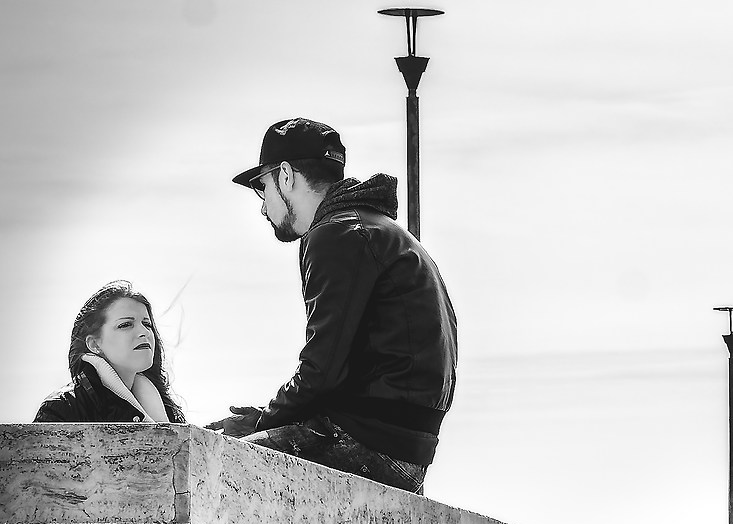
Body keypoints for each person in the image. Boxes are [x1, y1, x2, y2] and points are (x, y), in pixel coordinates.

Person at [207, 119, 457, 494]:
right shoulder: (385, 232)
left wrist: (265, 422)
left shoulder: (334, 235)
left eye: (263, 188)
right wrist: (266, 418)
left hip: (369, 445)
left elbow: (321, 371)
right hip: (406, 448)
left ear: (286, 176)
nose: (263, 208)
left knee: (212, 468)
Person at [35, 282, 185, 424]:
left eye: (147, 324)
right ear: (94, 344)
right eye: (125, 324)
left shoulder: (167, 411)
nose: (144, 332)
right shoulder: (62, 409)